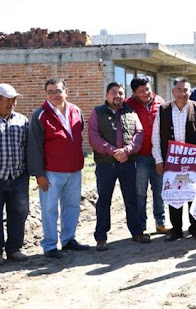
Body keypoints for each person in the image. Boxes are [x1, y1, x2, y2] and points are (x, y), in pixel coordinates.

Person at [28, 78, 89, 258]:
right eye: (50, 92)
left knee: (72, 206)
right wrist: (39, 175)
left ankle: (69, 240)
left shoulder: (76, 111)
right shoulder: (40, 115)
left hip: (74, 170)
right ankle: (49, 245)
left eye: (58, 91)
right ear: (46, 94)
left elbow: (78, 136)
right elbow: (34, 147)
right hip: (51, 172)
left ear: (66, 91)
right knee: (49, 209)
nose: (55, 95)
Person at [89, 82, 150, 251]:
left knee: (132, 199)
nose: (117, 96)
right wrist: (113, 151)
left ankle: (137, 232)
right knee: (104, 201)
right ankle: (101, 237)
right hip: (106, 165)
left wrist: (127, 151)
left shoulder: (131, 111)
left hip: (128, 163)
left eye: (120, 93)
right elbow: (93, 137)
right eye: (113, 92)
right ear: (107, 95)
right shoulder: (97, 112)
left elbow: (139, 134)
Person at [152, 77, 196, 242]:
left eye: (186, 90)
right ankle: (176, 230)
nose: (182, 94)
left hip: (194, 161)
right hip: (171, 161)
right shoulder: (163, 110)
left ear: (190, 91)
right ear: (173, 91)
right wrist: (158, 159)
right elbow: (156, 137)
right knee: (174, 194)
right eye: (179, 90)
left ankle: (195, 228)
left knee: (193, 194)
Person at [125, 76, 168, 233]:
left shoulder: (160, 102)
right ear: (134, 93)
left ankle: (161, 222)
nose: (145, 93)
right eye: (141, 91)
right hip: (139, 156)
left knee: (159, 190)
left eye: (147, 89)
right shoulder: (128, 105)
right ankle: (141, 225)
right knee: (140, 192)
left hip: (158, 155)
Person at [0, 83, 29, 263]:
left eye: (14, 100)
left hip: (18, 176)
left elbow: (28, 147)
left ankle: (14, 249)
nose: (11, 103)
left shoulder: (22, 120)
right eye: (7, 100)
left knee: (19, 212)